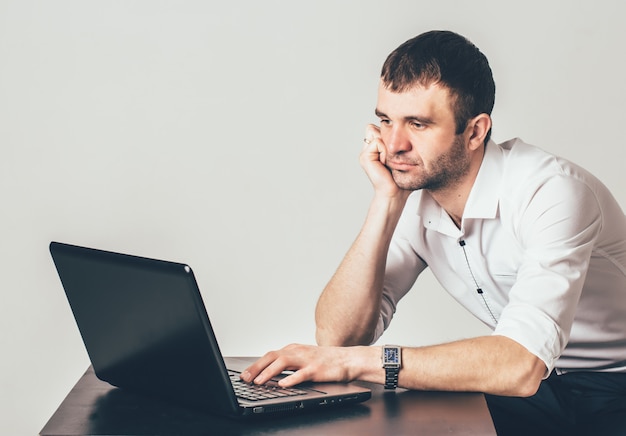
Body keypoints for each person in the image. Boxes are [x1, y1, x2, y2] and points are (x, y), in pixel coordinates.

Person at [240, 30, 626, 435]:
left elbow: (519, 364)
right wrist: (385, 202)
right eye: (386, 120)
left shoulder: (551, 192)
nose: (392, 145)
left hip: (615, 382)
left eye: (418, 124)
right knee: (383, 420)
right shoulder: (415, 194)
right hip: (541, 389)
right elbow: (337, 338)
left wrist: (362, 363)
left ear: (475, 132)